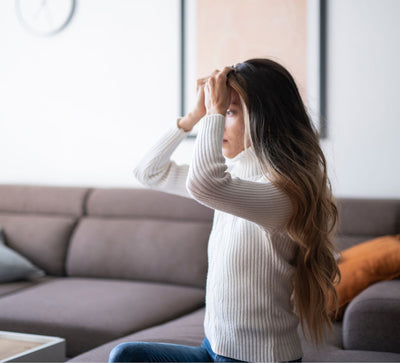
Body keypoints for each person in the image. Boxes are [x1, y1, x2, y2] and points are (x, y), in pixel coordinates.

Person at [109, 58, 340, 363]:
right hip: (214, 349)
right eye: (222, 111)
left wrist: (212, 115)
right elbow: (148, 172)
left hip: (257, 359)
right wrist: (193, 117)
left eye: (230, 112)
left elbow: (206, 183)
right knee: (125, 356)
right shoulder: (235, 176)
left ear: (265, 119)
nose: (217, 120)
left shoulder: (283, 193)